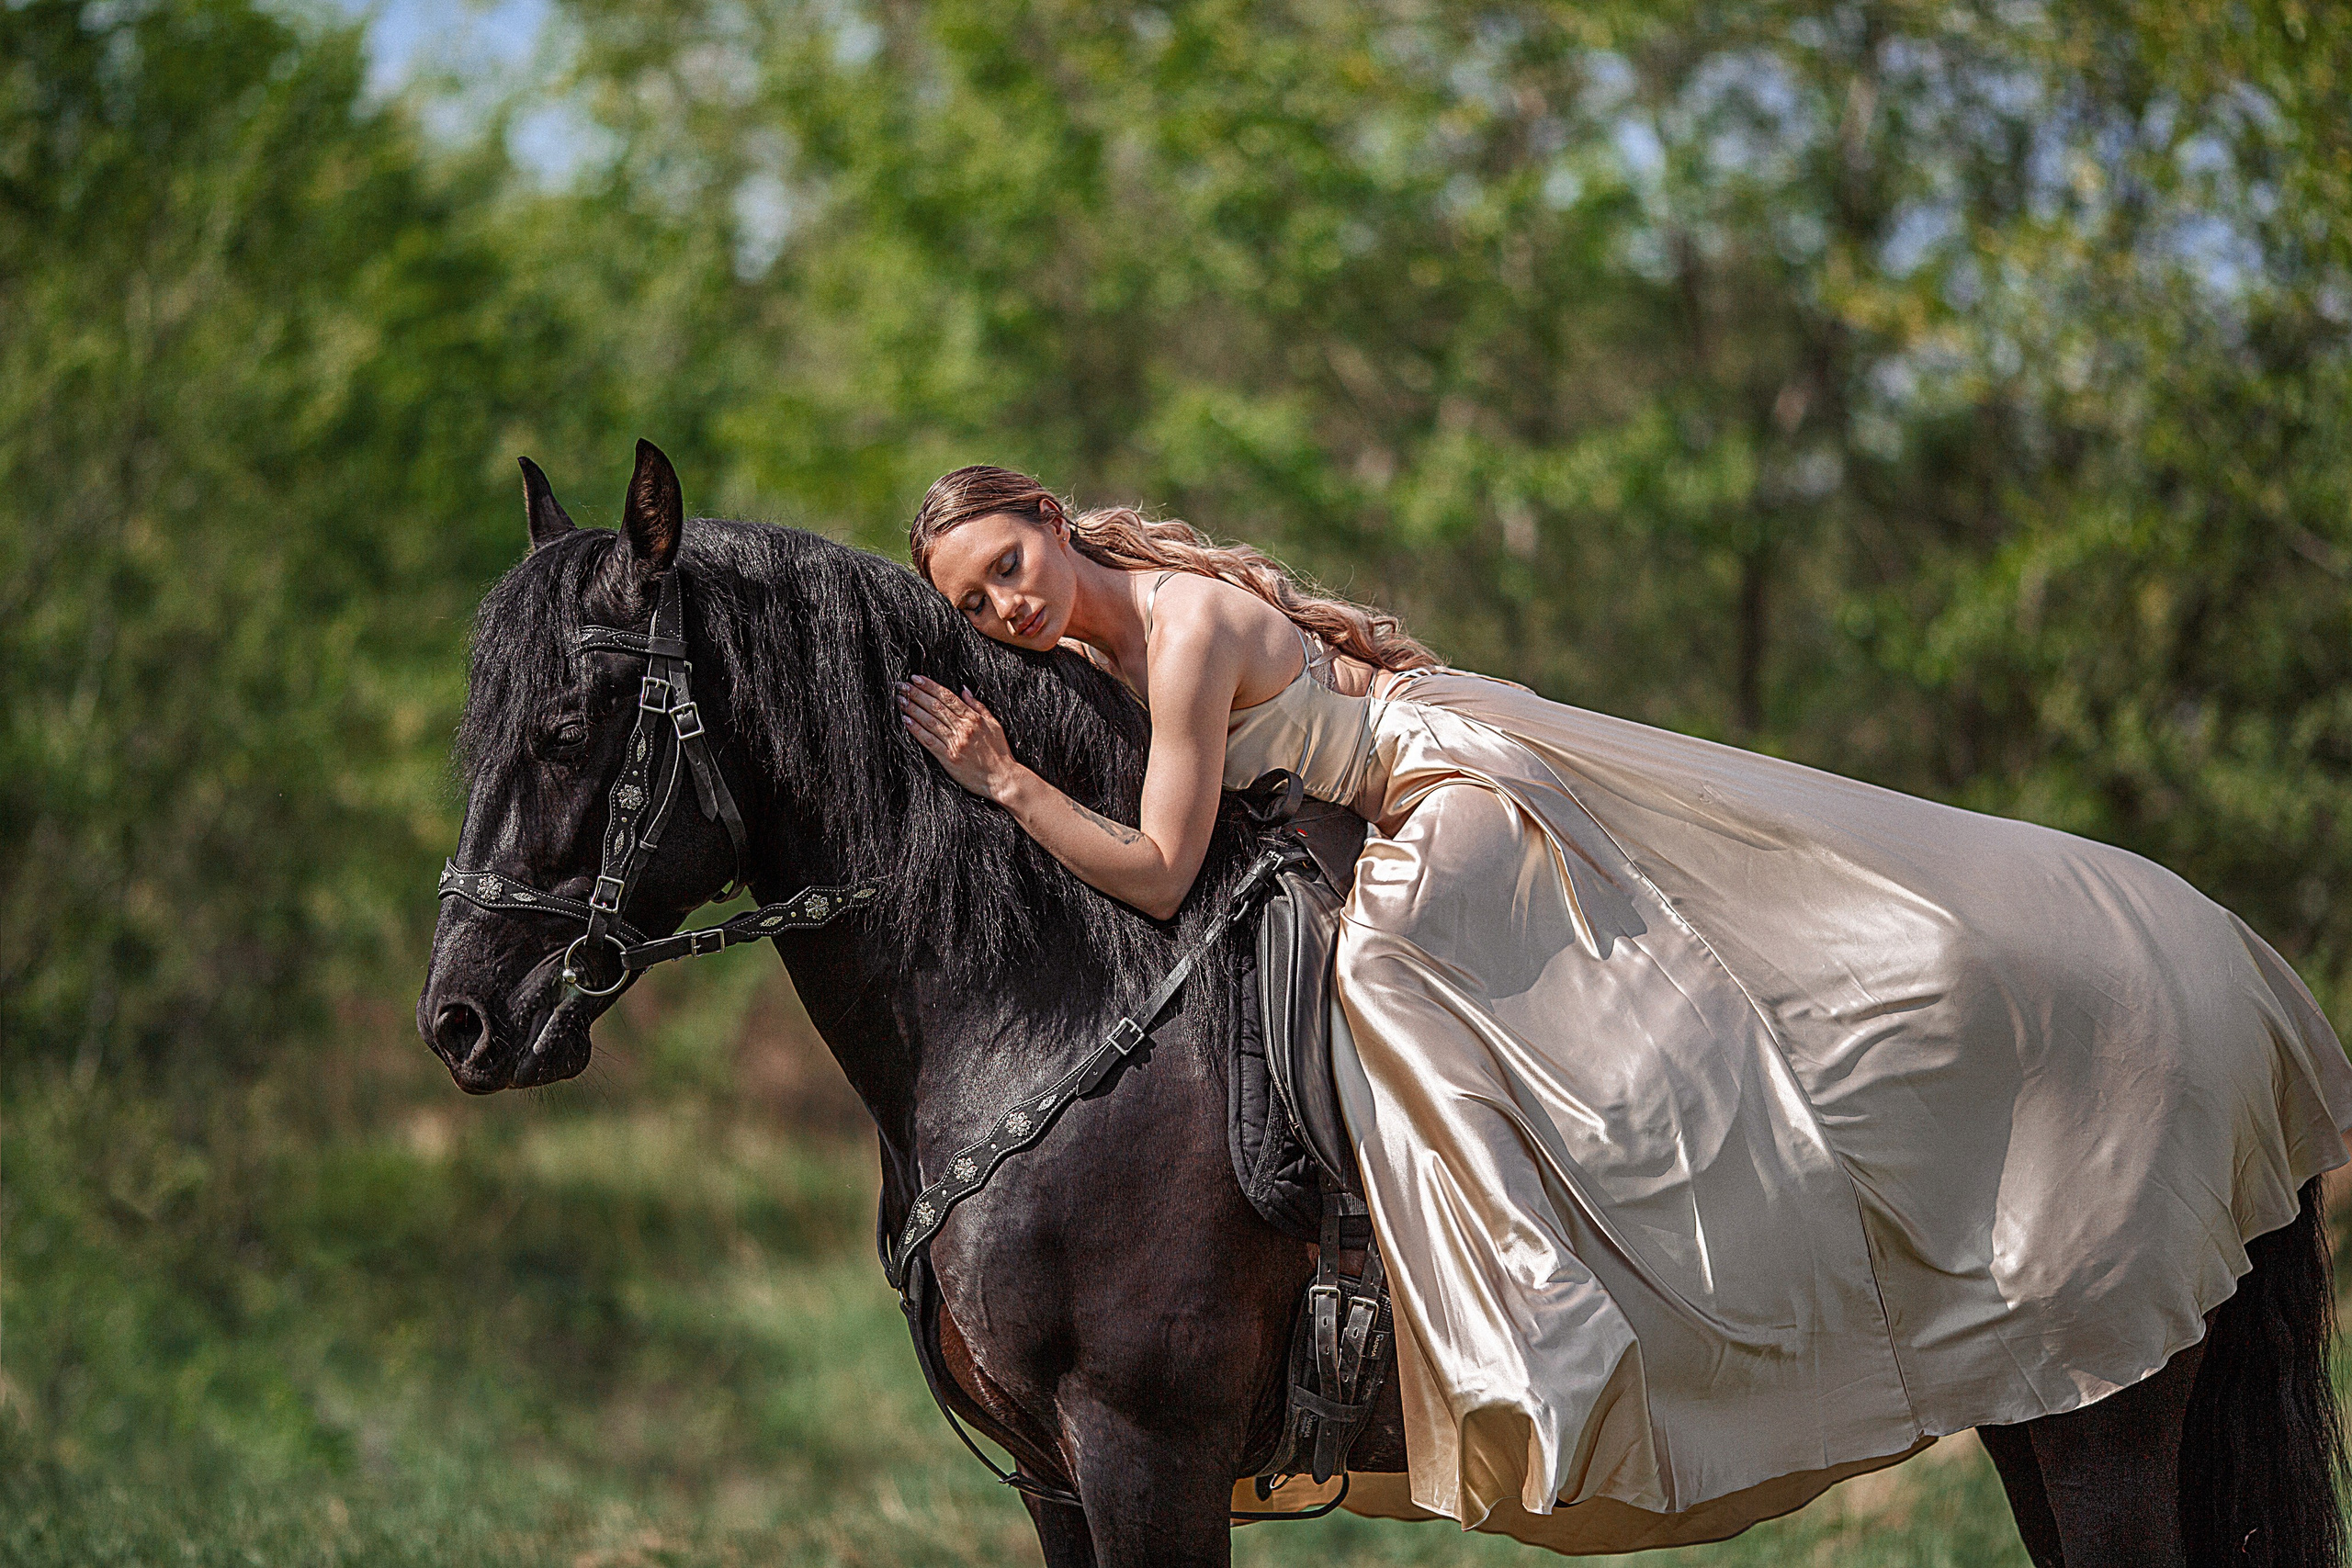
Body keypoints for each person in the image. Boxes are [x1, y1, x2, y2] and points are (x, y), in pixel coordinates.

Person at [896, 463, 2352, 1553]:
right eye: (972, 602)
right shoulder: (1097, 649)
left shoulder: (1182, 625)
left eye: (1007, 565)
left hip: (1432, 793)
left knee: (1392, 986)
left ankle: (1552, 1299)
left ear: (1053, 518)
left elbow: (1154, 873)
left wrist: (1002, 780)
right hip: (1342, 817)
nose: (1004, 607)